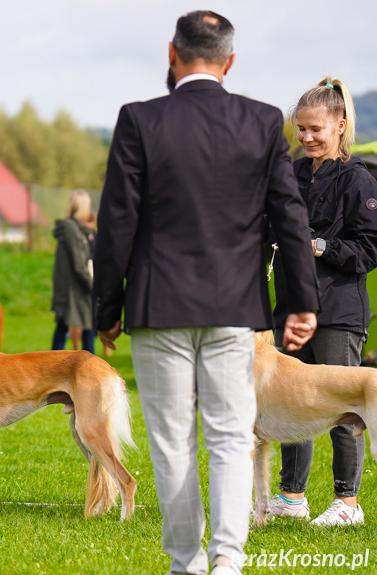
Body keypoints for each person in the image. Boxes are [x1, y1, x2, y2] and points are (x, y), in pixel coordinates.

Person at [93, 11, 319, 575]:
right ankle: (228, 560)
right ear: (230, 62)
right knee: (228, 435)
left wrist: (106, 307)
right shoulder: (263, 121)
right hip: (234, 310)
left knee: (172, 440)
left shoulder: (138, 120)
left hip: (157, 305)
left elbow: (116, 221)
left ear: (172, 54)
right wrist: (302, 301)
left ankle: (184, 562)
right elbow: (288, 217)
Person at [269, 78, 377, 527]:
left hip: (338, 314)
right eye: (301, 129)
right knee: (292, 403)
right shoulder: (291, 175)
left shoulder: (359, 180)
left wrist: (318, 247)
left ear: (340, 127)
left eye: (315, 129)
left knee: (341, 407)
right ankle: (292, 497)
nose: (307, 137)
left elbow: (369, 251)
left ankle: (346, 503)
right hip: (291, 309)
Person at [51, 190, 95, 354]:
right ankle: (91, 367)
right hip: (74, 290)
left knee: (64, 326)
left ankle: (52, 368)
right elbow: (79, 265)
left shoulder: (74, 229)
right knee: (85, 325)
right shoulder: (72, 230)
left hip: (72, 288)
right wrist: (93, 287)